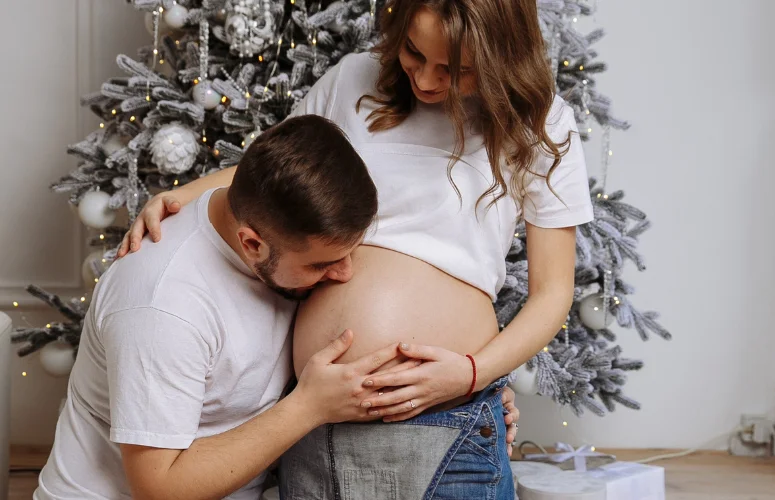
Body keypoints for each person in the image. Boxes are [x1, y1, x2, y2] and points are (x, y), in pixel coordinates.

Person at [120, 0, 591, 498]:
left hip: (447, 426)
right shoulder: (353, 78)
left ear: (500, 59)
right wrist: (182, 195)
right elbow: (276, 174)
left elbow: (553, 295)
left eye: (456, 70)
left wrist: (470, 374)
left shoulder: (541, 124)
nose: (427, 80)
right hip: (311, 426)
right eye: (413, 51)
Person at [35, 116, 421, 500]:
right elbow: (159, 488)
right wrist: (309, 406)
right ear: (252, 244)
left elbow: (262, 172)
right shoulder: (163, 306)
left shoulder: (265, 209)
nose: (345, 272)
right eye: (320, 264)